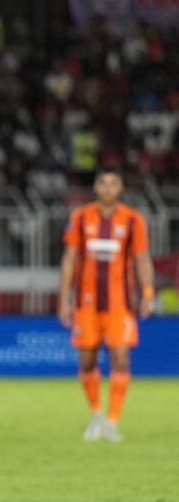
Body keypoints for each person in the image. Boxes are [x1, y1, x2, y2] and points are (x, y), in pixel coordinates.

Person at [57, 169, 154, 443]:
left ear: (121, 188)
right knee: (87, 359)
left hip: (120, 304)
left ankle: (112, 421)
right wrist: (64, 298)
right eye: (103, 183)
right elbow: (70, 259)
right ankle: (96, 414)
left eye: (114, 183)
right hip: (86, 303)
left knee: (121, 358)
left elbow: (142, 258)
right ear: (96, 187)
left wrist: (147, 292)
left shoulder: (134, 220)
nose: (108, 188)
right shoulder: (81, 217)